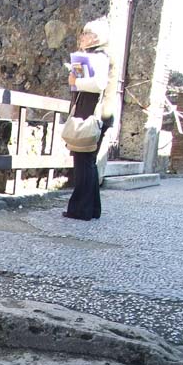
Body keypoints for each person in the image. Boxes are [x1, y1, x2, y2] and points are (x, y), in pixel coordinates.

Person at [63, 17, 116, 221]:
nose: (82, 37)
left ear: (95, 37)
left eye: (85, 34)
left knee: (83, 163)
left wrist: (76, 80)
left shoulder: (100, 57)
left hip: (92, 115)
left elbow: (98, 84)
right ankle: (91, 209)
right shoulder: (97, 56)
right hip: (93, 113)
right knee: (88, 163)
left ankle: (81, 209)